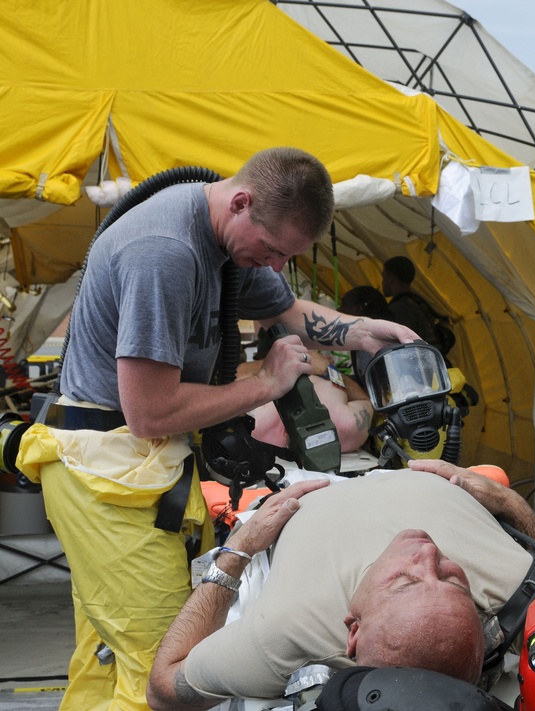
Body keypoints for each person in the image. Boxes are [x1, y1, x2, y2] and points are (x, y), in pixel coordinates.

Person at [16, 147, 417, 711]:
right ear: (241, 202)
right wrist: (266, 383)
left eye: (289, 256)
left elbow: (286, 306)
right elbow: (149, 413)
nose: (275, 265)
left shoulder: (230, 241)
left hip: (142, 470)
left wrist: (364, 331)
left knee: (109, 659)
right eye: (274, 249)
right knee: (168, 670)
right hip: (106, 471)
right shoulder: (165, 252)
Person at [145, 463, 535, 710]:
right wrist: (512, 505)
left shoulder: (284, 630)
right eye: (451, 577)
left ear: (352, 630)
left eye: (406, 582)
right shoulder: (513, 582)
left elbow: (162, 687)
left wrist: (240, 547)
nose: (427, 552)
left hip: (306, 496)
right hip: (422, 476)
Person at [238, 350, 374, 453]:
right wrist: (330, 371)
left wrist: (282, 362)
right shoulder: (348, 423)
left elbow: (235, 375)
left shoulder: (257, 420)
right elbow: (365, 399)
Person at [381, 255, 454, 358]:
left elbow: (404, 347)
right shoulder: (419, 303)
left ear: (392, 278)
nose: (382, 282)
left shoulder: (398, 307)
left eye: (384, 276)